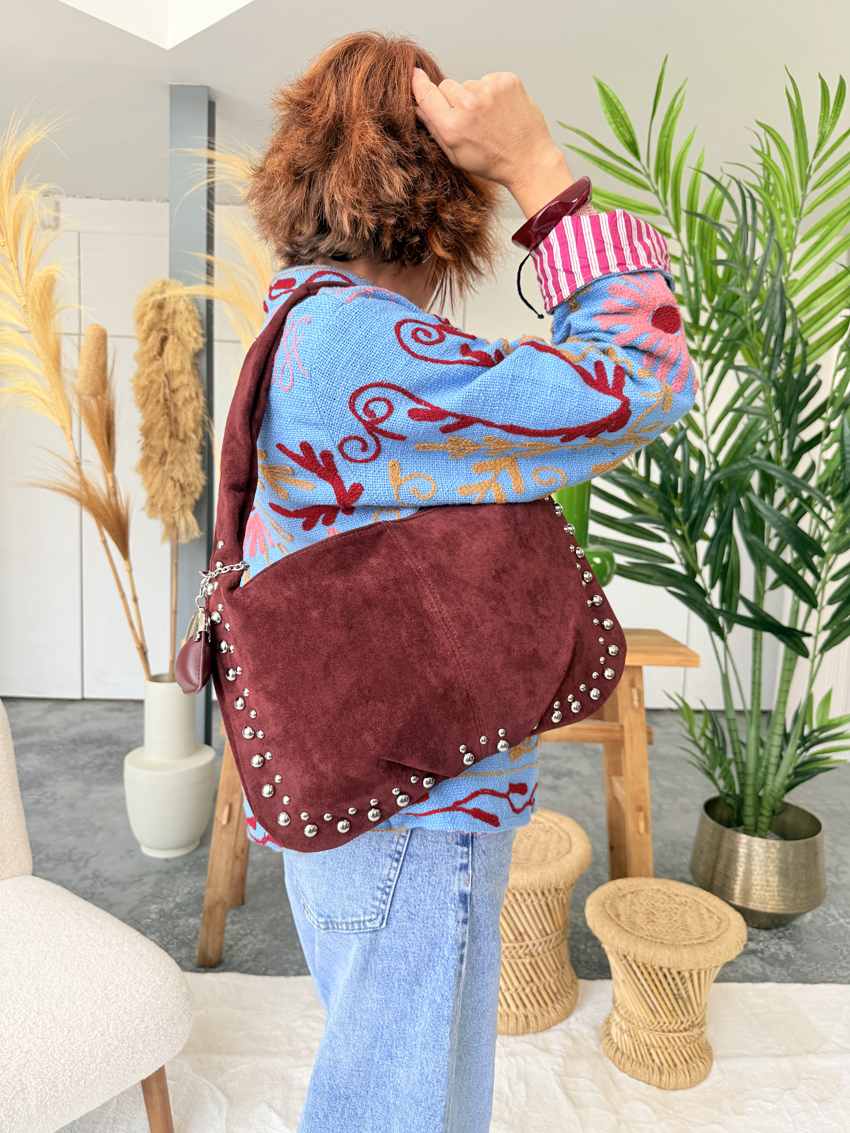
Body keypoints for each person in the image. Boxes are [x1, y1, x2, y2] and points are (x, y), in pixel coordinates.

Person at [240, 30, 694, 1133]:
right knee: (401, 1109)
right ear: (443, 200)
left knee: (399, 1091)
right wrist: (537, 166)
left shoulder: (301, 325)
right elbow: (643, 377)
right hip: (417, 806)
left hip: (377, 796)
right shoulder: (363, 345)